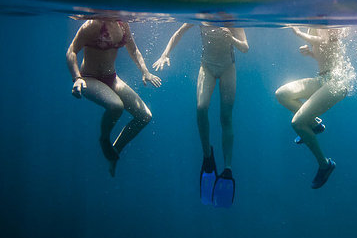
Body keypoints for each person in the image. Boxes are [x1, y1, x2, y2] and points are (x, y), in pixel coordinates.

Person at [153, 19, 248, 207]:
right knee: (201, 108)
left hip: (228, 67)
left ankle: (227, 168)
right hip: (207, 66)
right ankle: (207, 156)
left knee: (225, 117)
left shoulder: (232, 18)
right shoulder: (202, 15)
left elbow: (245, 47)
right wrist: (165, 54)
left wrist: (232, 39)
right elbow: (179, 32)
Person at [66, 18, 161, 177]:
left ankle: (115, 151)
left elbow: (134, 50)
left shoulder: (123, 24)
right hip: (89, 78)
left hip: (112, 78)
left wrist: (145, 71)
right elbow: (71, 51)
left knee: (144, 116)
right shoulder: (92, 25)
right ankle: (104, 139)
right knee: (116, 106)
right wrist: (77, 78)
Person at [275, 26, 350, 189]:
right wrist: (310, 53)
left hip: (337, 82)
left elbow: (324, 40)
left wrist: (298, 33)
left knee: (297, 123)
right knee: (282, 94)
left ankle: (325, 165)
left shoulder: (330, 21)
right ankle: (315, 125)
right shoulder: (313, 26)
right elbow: (326, 52)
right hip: (323, 79)